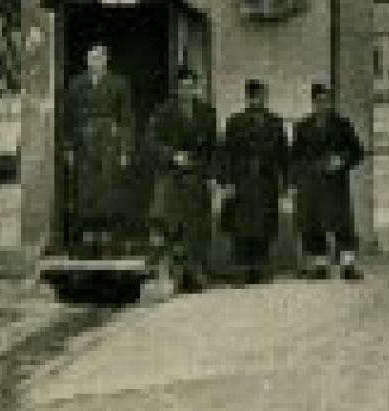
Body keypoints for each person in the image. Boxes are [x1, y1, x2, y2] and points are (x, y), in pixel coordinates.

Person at [143, 67, 219, 293]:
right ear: (176, 89)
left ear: (196, 87)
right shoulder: (163, 111)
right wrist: (172, 155)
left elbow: (213, 148)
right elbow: (151, 142)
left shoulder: (207, 113)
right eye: (183, 87)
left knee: (197, 225)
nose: (187, 91)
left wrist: (213, 176)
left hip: (197, 176)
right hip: (171, 177)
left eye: (191, 86)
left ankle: (195, 272)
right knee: (170, 224)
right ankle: (172, 274)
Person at [61, 44, 133, 257]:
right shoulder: (77, 84)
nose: (95, 62)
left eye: (99, 58)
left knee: (108, 187)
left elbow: (127, 119)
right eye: (91, 58)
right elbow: (68, 118)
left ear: (106, 60)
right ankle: (87, 237)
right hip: (84, 143)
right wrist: (68, 148)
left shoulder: (119, 83)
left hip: (109, 143)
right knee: (85, 187)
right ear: (87, 61)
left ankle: (107, 237)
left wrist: (125, 150)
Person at [291, 81, 368, 281]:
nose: (322, 105)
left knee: (342, 224)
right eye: (319, 101)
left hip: (335, 183)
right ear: (313, 103)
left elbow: (358, 151)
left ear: (331, 102)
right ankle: (320, 265)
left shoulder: (342, 125)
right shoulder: (302, 127)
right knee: (314, 224)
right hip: (312, 184)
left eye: (326, 101)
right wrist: (297, 180)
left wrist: (341, 160)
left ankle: (348, 265)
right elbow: (295, 157)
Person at [218, 78, 291, 284]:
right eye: (253, 96)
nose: (257, 100)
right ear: (247, 98)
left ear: (265, 98)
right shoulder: (235, 122)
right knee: (240, 226)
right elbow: (226, 154)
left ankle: (260, 266)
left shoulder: (275, 123)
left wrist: (286, 183)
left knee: (264, 224)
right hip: (241, 180)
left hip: (266, 180)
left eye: (260, 96)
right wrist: (227, 182)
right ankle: (241, 268)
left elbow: (284, 155)